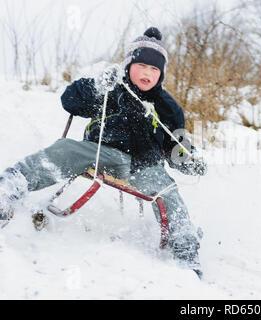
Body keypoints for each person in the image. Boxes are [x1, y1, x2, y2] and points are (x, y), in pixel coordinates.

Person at [0, 27, 207, 274]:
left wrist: (189, 159)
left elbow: (175, 145)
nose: (147, 73)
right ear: (128, 65)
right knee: (66, 149)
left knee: (166, 190)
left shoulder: (168, 107)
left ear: (161, 74)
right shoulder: (111, 86)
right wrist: (97, 86)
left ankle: (184, 246)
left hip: (145, 166)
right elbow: (70, 100)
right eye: (141, 66)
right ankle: (11, 186)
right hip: (101, 152)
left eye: (154, 69)